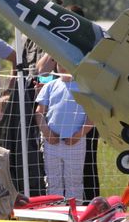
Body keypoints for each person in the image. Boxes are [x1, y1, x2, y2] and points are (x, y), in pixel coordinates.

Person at [35, 63, 93, 200]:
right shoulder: (50, 85)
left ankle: (73, 216)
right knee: (53, 181)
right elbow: (39, 112)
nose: (63, 66)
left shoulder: (85, 87)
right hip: (51, 143)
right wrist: (46, 132)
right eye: (59, 62)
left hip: (75, 143)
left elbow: (92, 116)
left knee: (74, 182)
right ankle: (56, 215)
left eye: (65, 61)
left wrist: (79, 135)